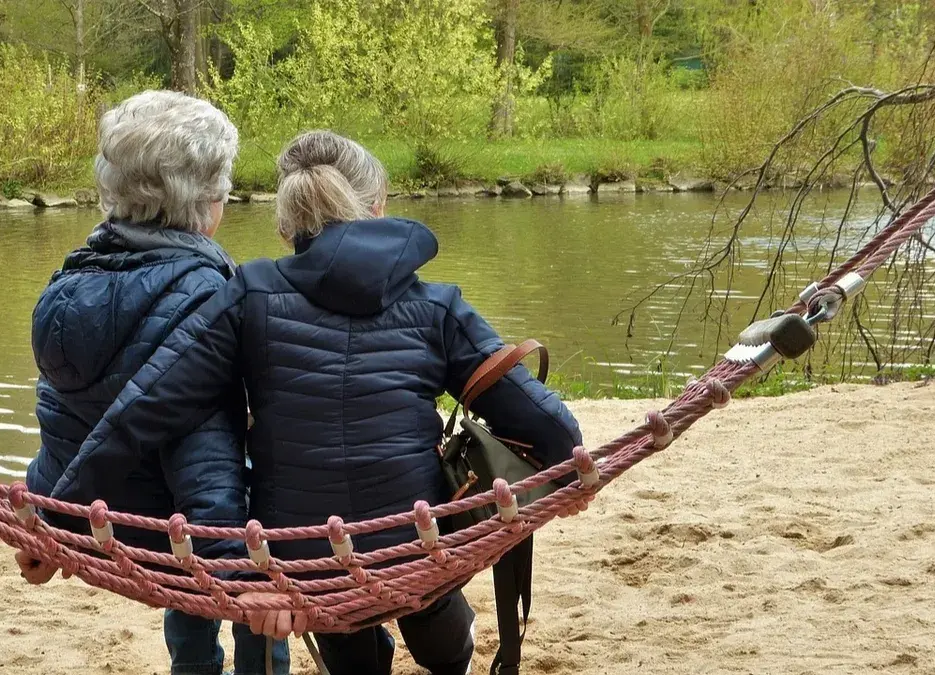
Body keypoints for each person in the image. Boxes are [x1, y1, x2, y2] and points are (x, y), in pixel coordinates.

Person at [51, 130, 583, 675]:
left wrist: (53, 520)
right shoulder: (438, 306)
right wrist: (570, 473)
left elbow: (148, 408)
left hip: (304, 562)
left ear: (287, 226)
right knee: (427, 588)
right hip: (414, 546)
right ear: (376, 208)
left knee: (337, 610)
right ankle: (451, 653)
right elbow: (547, 425)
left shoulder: (249, 293)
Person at [17, 90, 289, 675]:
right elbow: (204, 450)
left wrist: (48, 515)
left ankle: (192, 664)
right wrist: (236, 573)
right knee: (259, 531)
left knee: (190, 555)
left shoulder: (66, 285)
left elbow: (61, 415)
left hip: (96, 513)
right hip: (175, 529)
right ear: (208, 203)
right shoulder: (211, 298)